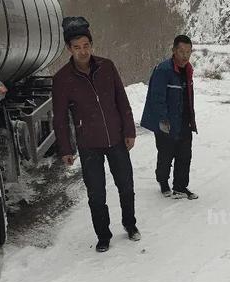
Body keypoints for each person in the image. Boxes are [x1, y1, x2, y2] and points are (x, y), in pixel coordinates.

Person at [52, 16, 140, 253]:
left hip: (116, 139)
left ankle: (130, 225)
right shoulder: (62, 79)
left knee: (126, 186)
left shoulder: (107, 67)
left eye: (86, 45)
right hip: (88, 144)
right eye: (77, 47)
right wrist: (66, 148)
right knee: (96, 194)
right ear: (69, 49)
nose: (83, 51)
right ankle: (103, 235)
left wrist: (129, 130)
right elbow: (59, 117)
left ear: (92, 45)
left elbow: (122, 100)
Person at [140, 35, 199, 199]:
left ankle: (180, 187)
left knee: (185, 155)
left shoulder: (188, 70)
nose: (185, 56)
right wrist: (163, 121)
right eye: (181, 51)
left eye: (188, 52)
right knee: (166, 155)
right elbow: (157, 98)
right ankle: (163, 181)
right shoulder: (163, 70)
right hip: (167, 122)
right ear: (174, 51)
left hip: (184, 121)